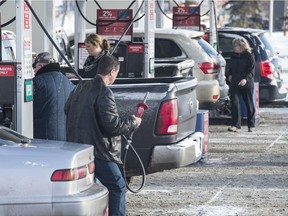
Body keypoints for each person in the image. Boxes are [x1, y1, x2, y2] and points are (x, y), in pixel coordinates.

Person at [64, 55, 142, 216]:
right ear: (112, 71)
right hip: (99, 151)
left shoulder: (80, 87)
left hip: (77, 148)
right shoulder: (104, 93)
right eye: (117, 73)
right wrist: (133, 122)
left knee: (89, 189)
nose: (116, 77)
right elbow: (112, 126)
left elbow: (67, 109)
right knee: (117, 185)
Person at [33, 52, 74, 140]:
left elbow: (29, 110)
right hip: (65, 136)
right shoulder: (68, 82)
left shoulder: (37, 82)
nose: (34, 70)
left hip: (43, 136)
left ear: (40, 65)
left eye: (35, 67)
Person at [226, 38, 256, 132]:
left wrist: (245, 80)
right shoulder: (233, 56)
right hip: (235, 83)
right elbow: (229, 68)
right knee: (234, 103)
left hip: (246, 84)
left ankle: (251, 125)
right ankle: (235, 125)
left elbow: (251, 71)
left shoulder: (249, 56)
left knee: (249, 104)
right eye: (234, 46)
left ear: (242, 46)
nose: (235, 47)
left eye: (237, 45)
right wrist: (229, 75)